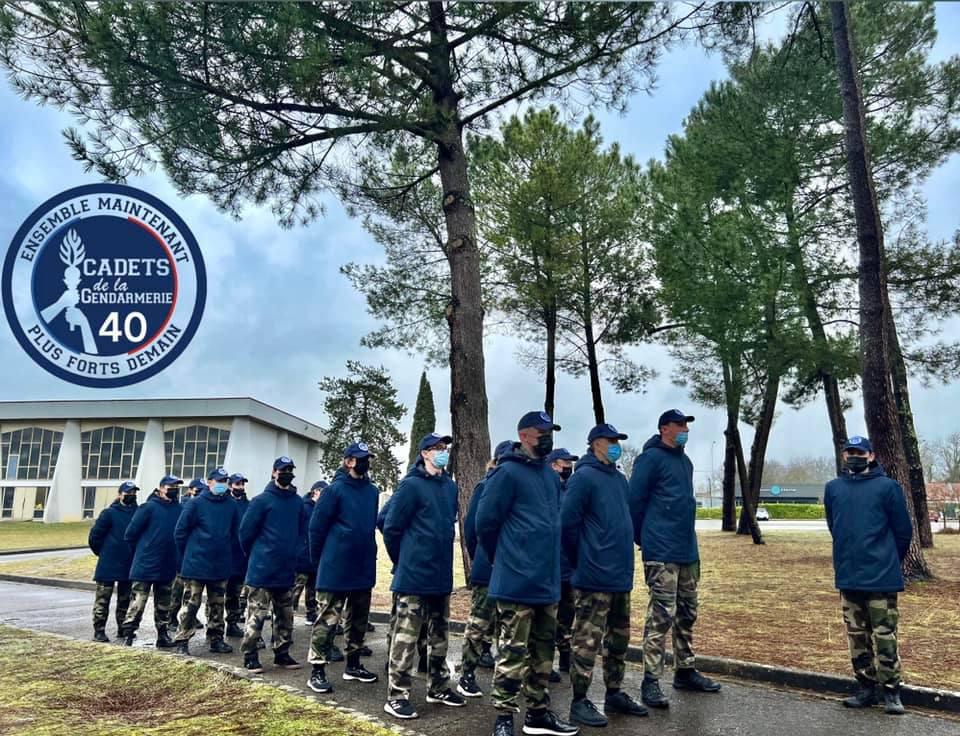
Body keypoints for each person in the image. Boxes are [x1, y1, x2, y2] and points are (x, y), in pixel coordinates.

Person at [477, 411, 579, 736]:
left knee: (543, 652)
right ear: (524, 436)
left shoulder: (550, 476)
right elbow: (484, 524)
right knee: (512, 651)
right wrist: (502, 559)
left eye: (551, 432)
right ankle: (504, 718)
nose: (548, 438)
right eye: (541, 432)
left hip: (546, 581)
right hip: (516, 581)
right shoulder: (506, 473)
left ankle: (538, 713)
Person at [630, 409, 720, 709]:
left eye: (687, 425)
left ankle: (685, 670)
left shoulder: (685, 461)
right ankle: (651, 680)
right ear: (664, 428)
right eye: (680, 425)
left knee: (687, 611)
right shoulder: (650, 459)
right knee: (661, 614)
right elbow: (635, 502)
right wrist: (645, 538)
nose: (685, 430)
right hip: (662, 551)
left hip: (687, 551)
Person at [562, 424, 647, 727]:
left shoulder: (618, 479)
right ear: (595, 444)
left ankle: (614, 692)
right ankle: (579, 701)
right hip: (593, 576)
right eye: (610, 441)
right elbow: (567, 525)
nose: (615, 445)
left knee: (619, 640)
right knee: (586, 641)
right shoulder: (583, 478)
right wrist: (582, 560)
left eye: (617, 441)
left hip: (619, 576)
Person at [824, 436, 913, 716]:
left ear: (871, 456)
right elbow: (833, 525)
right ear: (843, 457)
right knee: (856, 636)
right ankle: (865, 687)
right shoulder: (833, 488)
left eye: (860, 452)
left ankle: (891, 691)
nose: (854, 456)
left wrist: (888, 560)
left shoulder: (888, 488)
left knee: (885, 636)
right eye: (849, 452)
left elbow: (903, 531)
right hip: (849, 576)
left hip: (881, 577)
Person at [382, 433, 466, 719]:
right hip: (414, 576)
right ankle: (397, 694)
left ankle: (439, 686)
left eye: (445, 448)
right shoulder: (411, 486)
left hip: (440, 575)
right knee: (406, 637)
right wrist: (403, 560)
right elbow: (391, 527)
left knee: (439, 636)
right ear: (425, 454)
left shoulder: (449, 487)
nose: (443, 452)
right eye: (437, 448)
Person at [306, 444, 380, 694]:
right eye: (361, 459)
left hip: (362, 567)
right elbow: (316, 529)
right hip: (335, 567)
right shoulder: (334, 491)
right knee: (327, 621)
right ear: (348, 461)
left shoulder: (372, 492)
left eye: (368, 459)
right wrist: (320, 563)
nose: (365, 462)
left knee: (358, 621)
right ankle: (317, 669)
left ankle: (354, 664)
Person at [457, 440, 513, 699]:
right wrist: (480, 556)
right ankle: (467, 673)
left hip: (512, 568)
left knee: (509, 625)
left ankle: (507, 678)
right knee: (479, 622)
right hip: (488, 566)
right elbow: (472, 528)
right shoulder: (486, 486)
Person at [239, 456, 305, 673]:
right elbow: (245, 533)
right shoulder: (261, 501)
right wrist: (257, 555)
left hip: (286, 571)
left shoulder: (297, 502)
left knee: (285, 616)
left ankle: (282, 653)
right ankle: (250, 655)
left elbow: (302, 532)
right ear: (274, 472)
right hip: (262, 570)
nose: (287, 473)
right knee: (256, 616)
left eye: (290, 470)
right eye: (283, 470)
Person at [173, 466, 240, 656]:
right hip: (196, 564)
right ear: (209, 482)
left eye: (224, 481)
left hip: (220, 565)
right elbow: (180, 532)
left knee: (217, 604)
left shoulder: (231, 505)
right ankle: (182, 640)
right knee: (191, 605)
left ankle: (216, 638)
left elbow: (235, 533)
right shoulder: (195, 504)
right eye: (218, 481)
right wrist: (187, 555)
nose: (222, 485)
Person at [120, 475, 183, 648]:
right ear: (161, 488)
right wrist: (143, 551)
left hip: (167, 564)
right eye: (171, 486)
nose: (174, 490)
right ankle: (129, 634)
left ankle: (163, 635)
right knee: (138, 603)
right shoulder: (148, 508)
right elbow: (130, 535)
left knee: (164, 604)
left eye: (176, 487)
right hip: (145, 564)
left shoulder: (179, 509)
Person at [88, 480, 138, 642]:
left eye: (133, 493)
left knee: (125, 599)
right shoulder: (108, 513)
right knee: (103, 600)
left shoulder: (138, 513)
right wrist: (103, 552)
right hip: (108, 564)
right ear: (119, 495)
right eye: (128, 493)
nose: (131, 496)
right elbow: (95, 537)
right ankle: (99, 630)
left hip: (128, 563)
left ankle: (123, 628)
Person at [546, 447, 579, 683]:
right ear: (551, 465)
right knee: (548, 616)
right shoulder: (546, 490)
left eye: (569, 463)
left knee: (568, 613)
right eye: (562, 463)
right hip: (549, 565)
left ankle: (566, 655)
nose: (567, 466)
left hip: (569, 565)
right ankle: (544, 662)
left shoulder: (571, 490)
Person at [169, 478, 208, 633]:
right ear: (191, 490)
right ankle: (171, 618)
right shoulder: (184, 505)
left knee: (189, 594)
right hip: (181, 555)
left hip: (192, 557)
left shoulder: (200, 505)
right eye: (198, 489)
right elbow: (180, 532)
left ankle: (191, 618)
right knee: (177, 591)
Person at [294, 480, 326, 627]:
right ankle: (287, 615)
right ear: (315, 491)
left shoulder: (323, 509)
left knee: (312, 590)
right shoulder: (303, 507)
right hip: (302, 555)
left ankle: (311, 614)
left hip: (315, 557)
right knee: (296, 589)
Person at [225, 472, 250, 638]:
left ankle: (232, 623)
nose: (240, 487)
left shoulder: (248, 505)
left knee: (235, 593)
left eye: (242, 484)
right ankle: (213, 626)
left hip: (240, 556)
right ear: (230, 485)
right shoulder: (225, 503)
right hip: (224, 554)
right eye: (237, 484)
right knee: (218, 595)